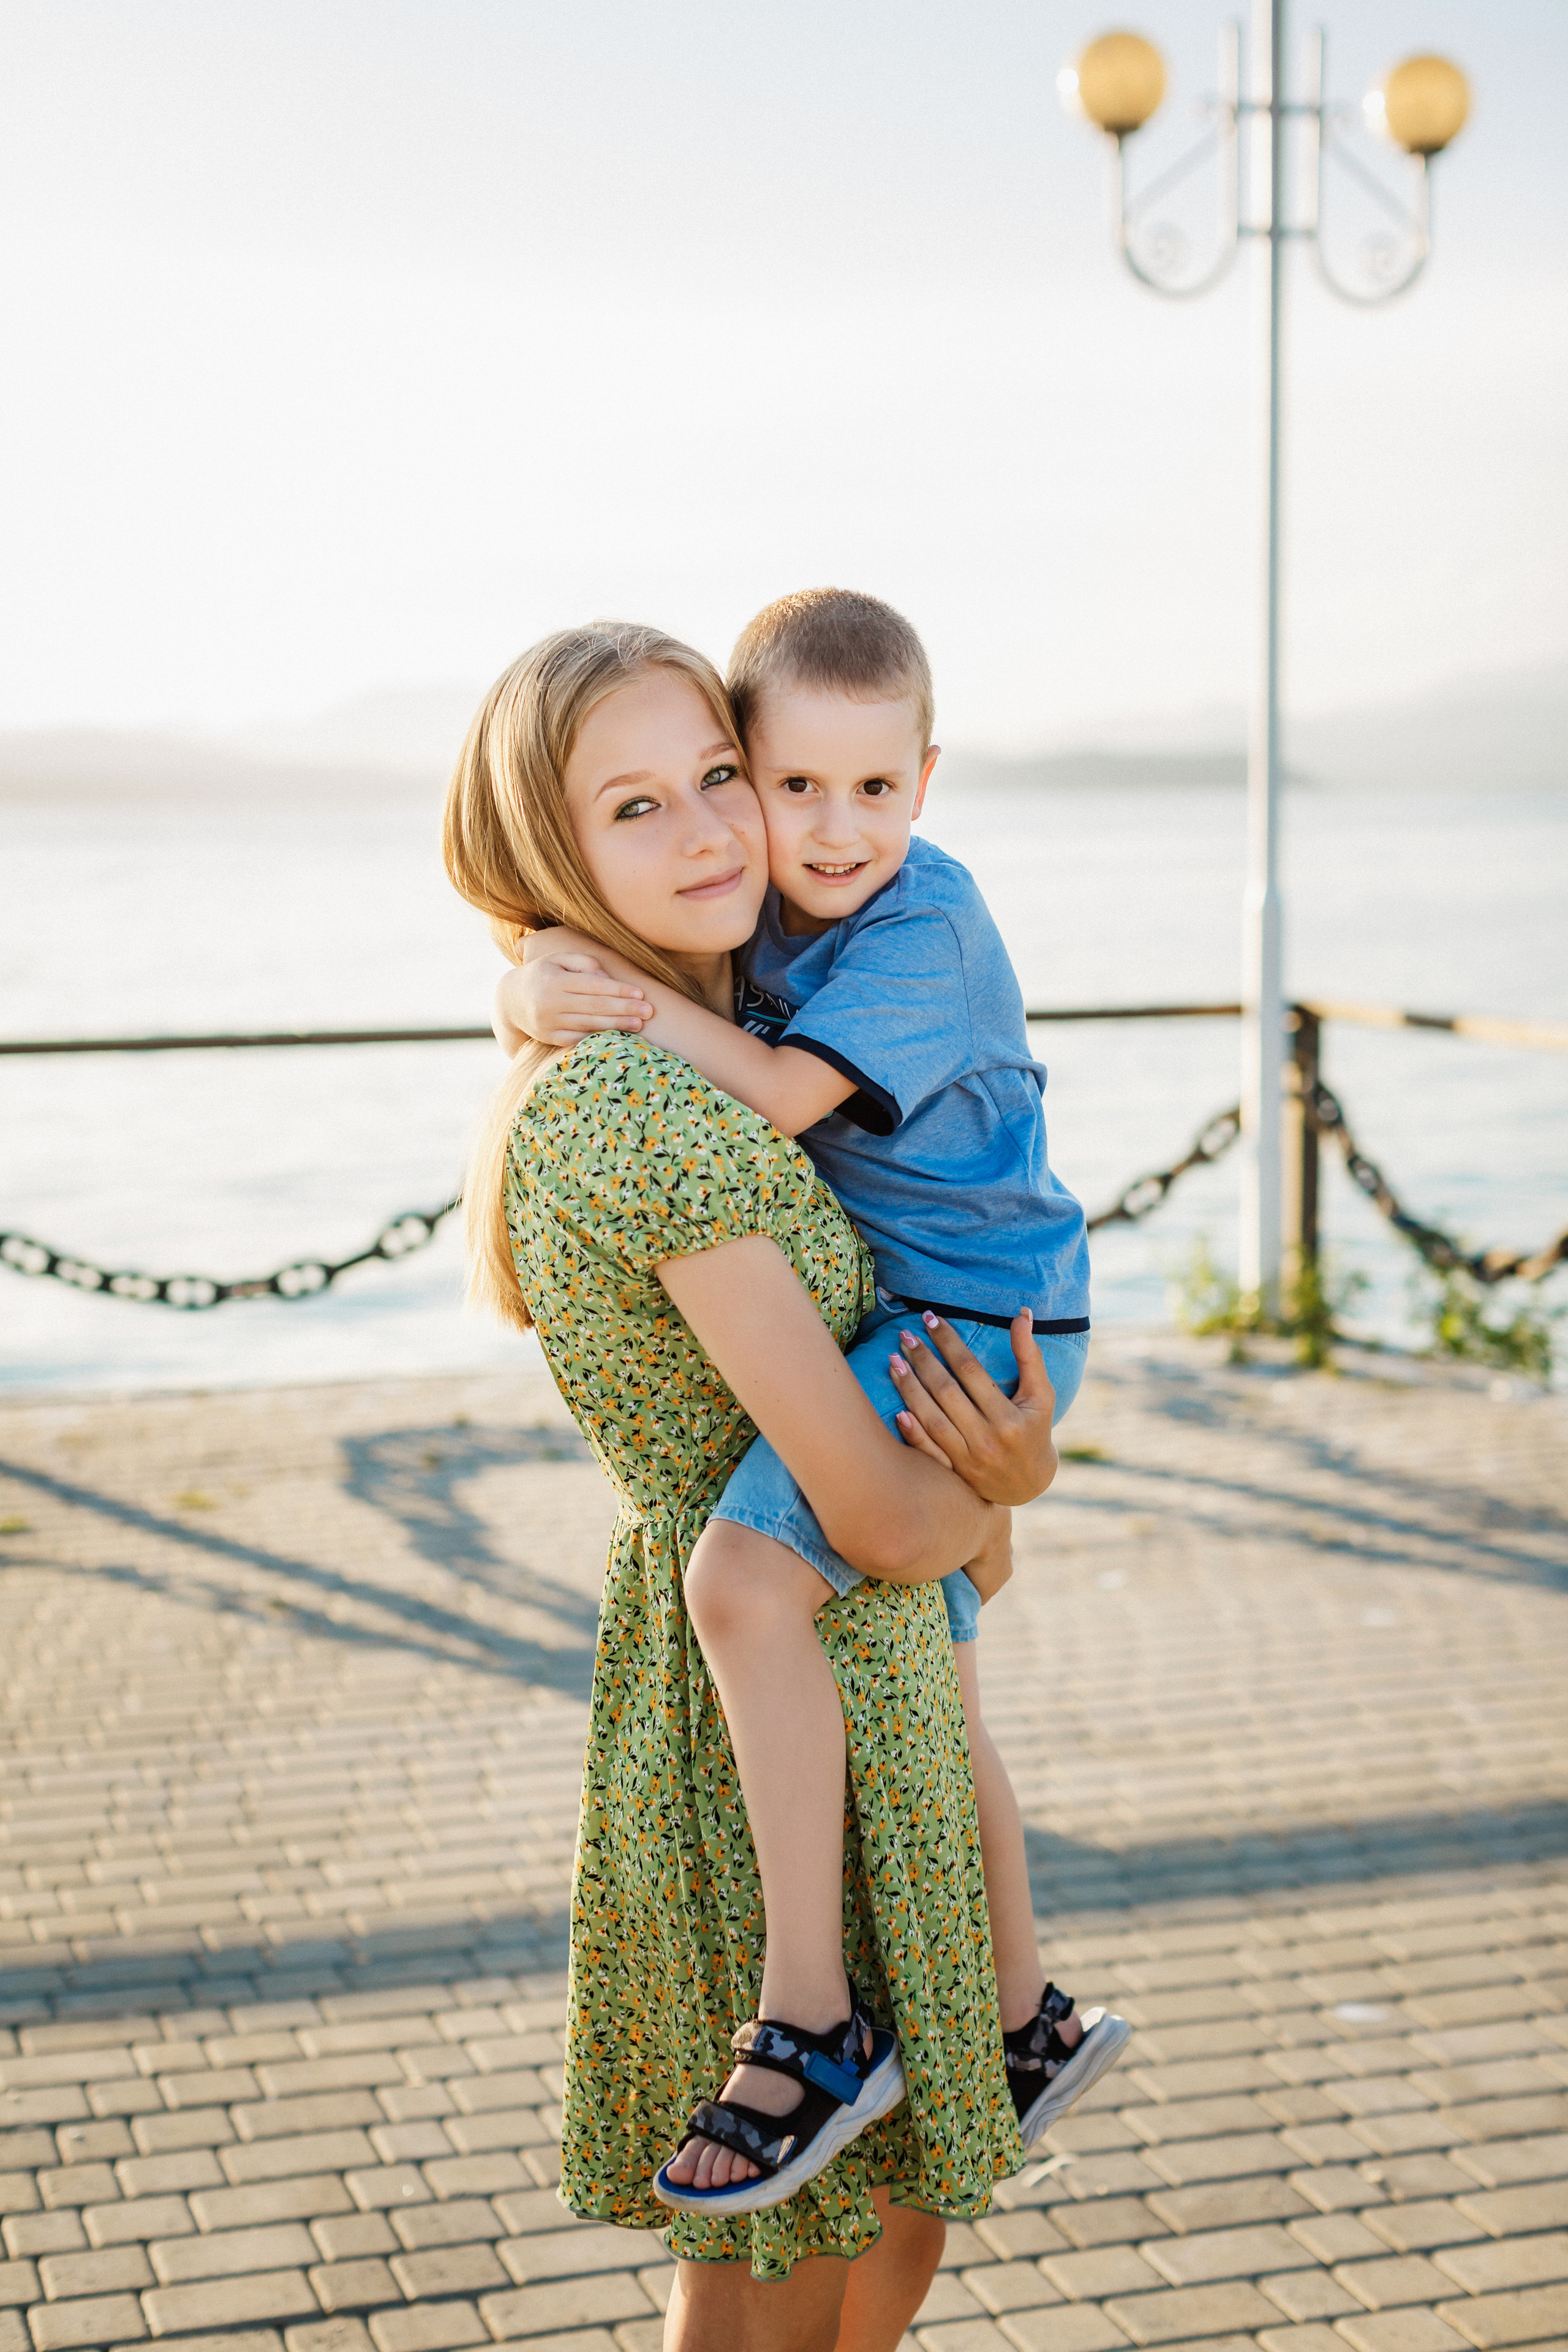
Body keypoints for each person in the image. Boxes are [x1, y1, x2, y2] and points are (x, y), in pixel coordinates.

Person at [443, 618, 1063, 2348]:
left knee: (891, 2245)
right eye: (633, 810)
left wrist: (983, 1508)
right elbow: (884, 1523)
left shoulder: (775, 1018)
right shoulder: (649, 1110)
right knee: (778, 2287)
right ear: (549, 854)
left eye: (722, 774)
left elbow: (928, 1547)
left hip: (867, 1686)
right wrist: (1015, 1476)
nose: (717, 831)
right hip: (763, 1734)